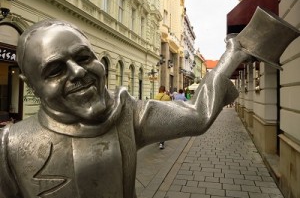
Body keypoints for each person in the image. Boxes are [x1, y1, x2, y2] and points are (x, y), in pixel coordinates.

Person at [0, 19, 252, 198]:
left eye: (84, 58)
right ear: (31, 85)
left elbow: (197, 114)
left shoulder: (128, 115)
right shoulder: (10, 146)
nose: (77, 71)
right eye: (55, 70)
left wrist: (235, 54)